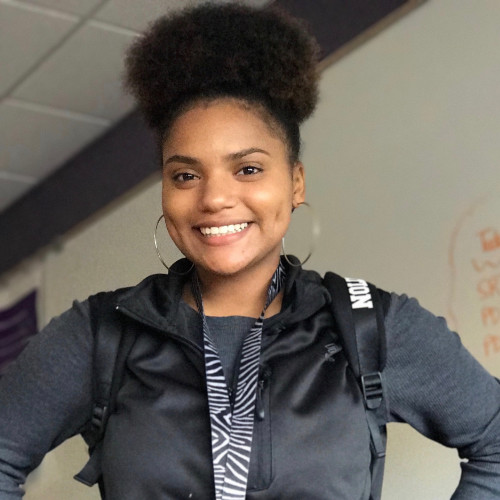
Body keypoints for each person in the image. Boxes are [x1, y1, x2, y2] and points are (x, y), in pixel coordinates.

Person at [0, 3, 499, 499]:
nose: (215, 198)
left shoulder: (371, 327)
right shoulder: (101, 334)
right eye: (186, 175)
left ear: (296, 181)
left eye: (248, 169)